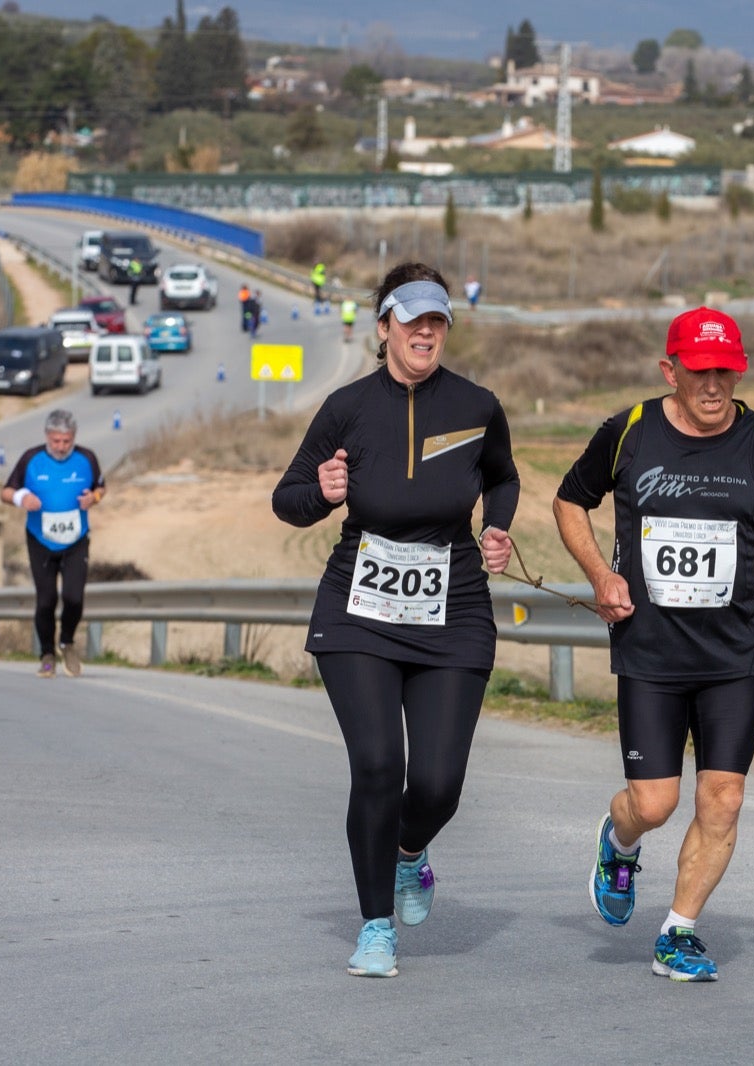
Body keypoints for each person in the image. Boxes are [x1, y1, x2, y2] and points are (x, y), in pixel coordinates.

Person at [553, 306, 754, 983]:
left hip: (730, 656)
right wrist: (601, 574)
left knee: (723, 798)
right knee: (654, 803)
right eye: (700, 372)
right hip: (649, 653)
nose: (714, 385)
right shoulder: (630, 432)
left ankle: (679, 931)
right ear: (669, 371)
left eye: (726, 371)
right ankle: (618, 844)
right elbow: (567, 500)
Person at [272, 262, 519, 980]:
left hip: (455, 604)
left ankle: (410, 853)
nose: (425, 331)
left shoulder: (477, 405)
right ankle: (375, 925)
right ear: (383, 328)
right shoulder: (347, 407)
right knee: (380, 765)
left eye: (437, 320)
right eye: (411, 320)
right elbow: (288, 497)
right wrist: (319, 492)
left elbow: (502, 475)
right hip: (361, 606)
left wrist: (497, 526)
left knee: (438, 783)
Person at [1, 409, 106, 679]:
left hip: (76, 539)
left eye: (66, 441)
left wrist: (93, 498)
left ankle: (67, 642)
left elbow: (101, 487)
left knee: (74, 597)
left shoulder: (87, 458)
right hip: (41, 540)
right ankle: (47, 654)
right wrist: (21, 499)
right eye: (56, 441)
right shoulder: (31, 458)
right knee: (46, 600)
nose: (61, 447)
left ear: (74, 438)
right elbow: (6, 491)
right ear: (47, 436)